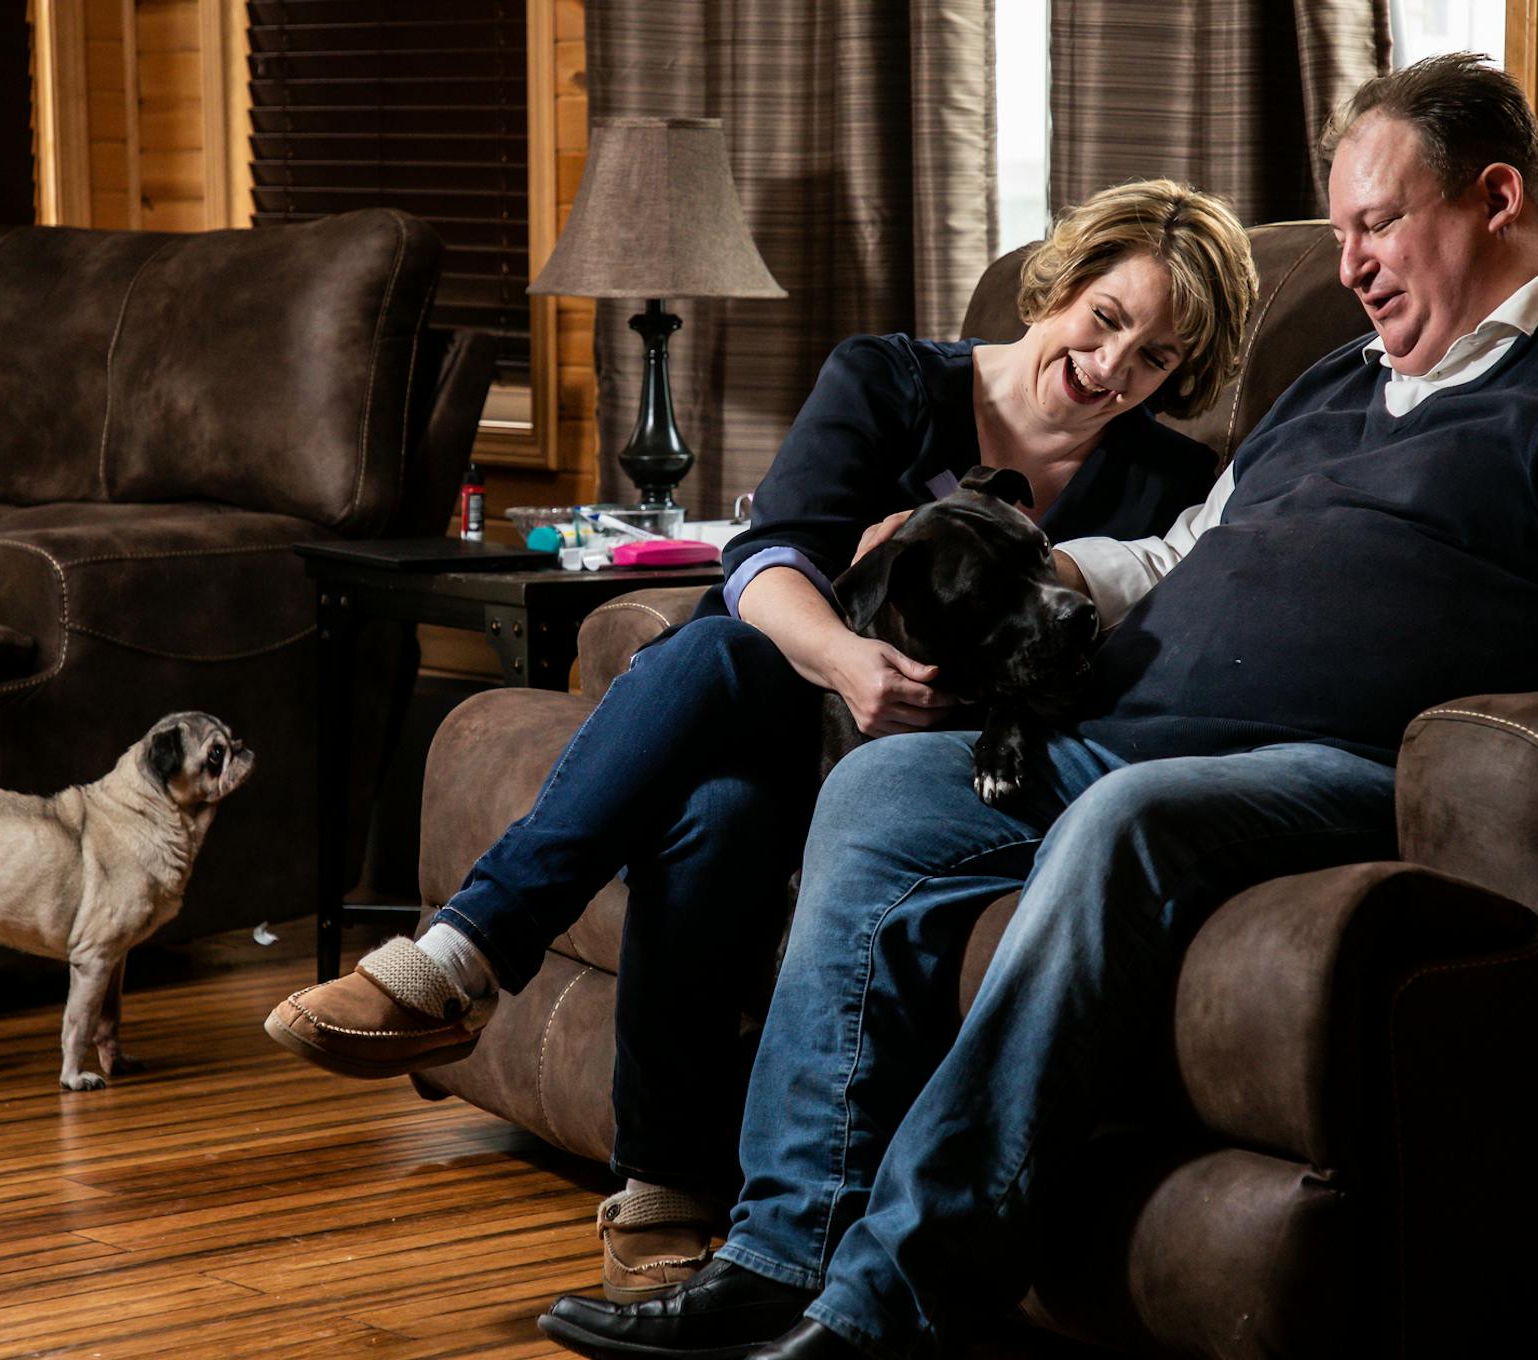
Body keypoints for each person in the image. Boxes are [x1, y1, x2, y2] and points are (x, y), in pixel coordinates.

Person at [537, 52, 1538, 1360]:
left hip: (1343, 770)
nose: (1350, 267)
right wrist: (1031, 561)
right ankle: (781, 1256)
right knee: (878, 787)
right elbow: (1179, 557)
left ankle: (893, 1303)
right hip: (1110, 727)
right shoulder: (1340, 378)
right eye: (1338, 234)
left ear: (1496, 197)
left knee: (1127, 820)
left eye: (1378, 224)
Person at [266, 180, 1261, 1301]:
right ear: (1066, 283)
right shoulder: (890, 379)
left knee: (716, 790)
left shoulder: (1167, 486)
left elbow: (1129, 656)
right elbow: (767, 557)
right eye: (1108, 318)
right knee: (719, 698)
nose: (1115, 367)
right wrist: (848, 661)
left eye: (1158, 359)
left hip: (932, 762)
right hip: (784, 692)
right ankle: (589, 1098)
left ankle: (482, 987)